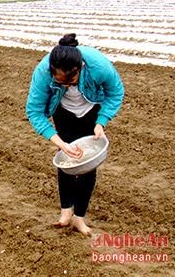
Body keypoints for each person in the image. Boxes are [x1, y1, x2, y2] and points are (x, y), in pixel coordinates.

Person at [26, 33, 124, 236]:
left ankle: (79, 216)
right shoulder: (43, 72)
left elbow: (115, 92)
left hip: (91, 108)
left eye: (70, 82)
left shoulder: (98, 65)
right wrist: (60, 143)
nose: (66, 86)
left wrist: (101, 121)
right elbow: (34, 111)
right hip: (62, 110)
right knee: (68, 158)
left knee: (88, 162)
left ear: (80, 69)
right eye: (60, 83)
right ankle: (65, 211)